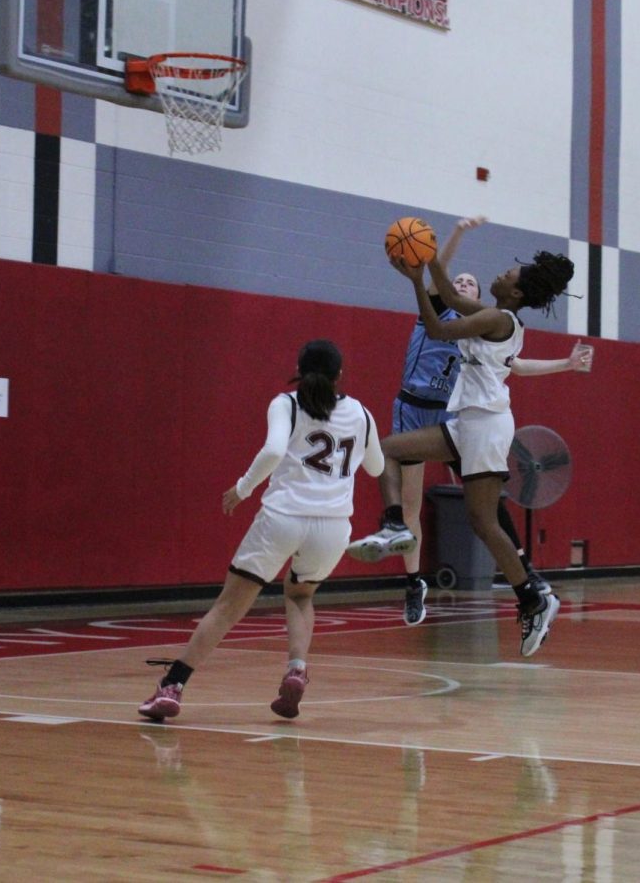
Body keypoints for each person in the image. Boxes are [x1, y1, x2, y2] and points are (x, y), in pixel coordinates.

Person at [353, 217, 592, 626]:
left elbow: (436, 327)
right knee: (390, 451)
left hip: (483, 425)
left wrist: (415, 282)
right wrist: (427, 261)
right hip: (472, 422)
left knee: (482, 520)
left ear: (515, 291)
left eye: (507, 273)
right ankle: (396, 526)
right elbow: (445, 293)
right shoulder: (494, 314)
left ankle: (531, 596)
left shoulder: (495, 319)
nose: (498, 273)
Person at [138, 339, 385, 722]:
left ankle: (173, 685)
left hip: (284, 517)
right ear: (340, 375)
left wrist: (241, 489)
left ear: (300, 370)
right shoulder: (362, 414)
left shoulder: (286, 403)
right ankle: (297, 669)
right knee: (301, 596)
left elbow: (272, 451)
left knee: (228, 607)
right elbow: (376, 469)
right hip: (333, 526)